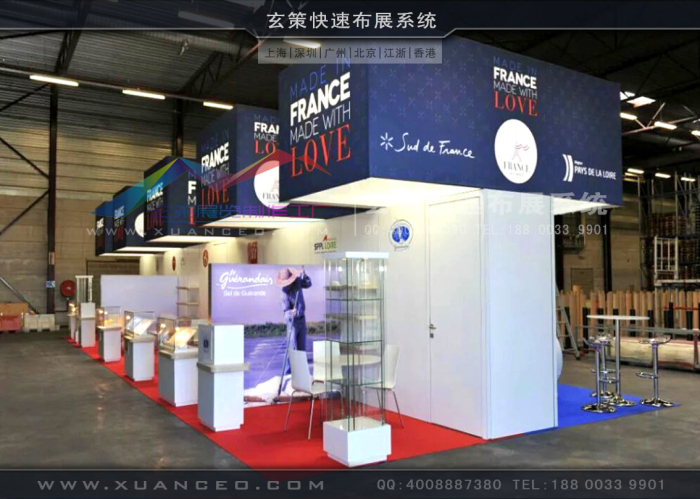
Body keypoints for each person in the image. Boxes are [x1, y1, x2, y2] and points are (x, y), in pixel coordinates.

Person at [276, 266, 312, 375]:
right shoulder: (284, 294)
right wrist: (291, 312)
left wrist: (304, 276)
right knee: (292, 348)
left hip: (302, 319)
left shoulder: (297, 282)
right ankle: (288, 374)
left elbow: (308, 284)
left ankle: (301, 374)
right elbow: (285, 313)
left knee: (301, 348)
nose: (287, 284)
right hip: (292, 323)